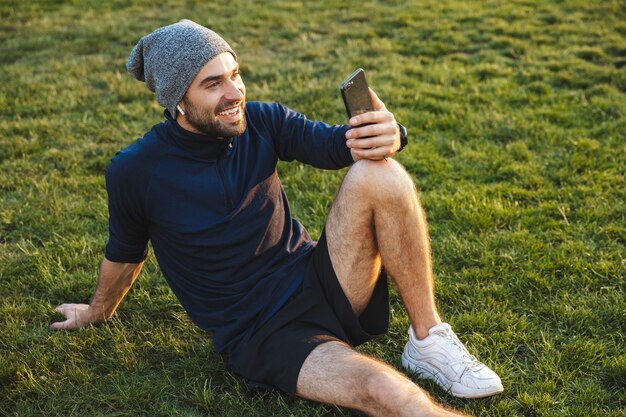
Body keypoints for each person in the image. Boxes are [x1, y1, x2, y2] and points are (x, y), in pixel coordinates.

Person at [51, 19, 503, 416]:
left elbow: (337, 144)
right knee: (385, 392)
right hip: (263, 334)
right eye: (213, 84)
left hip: (320, 280)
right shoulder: (136, 170)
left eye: (235, 74)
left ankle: (428, 340)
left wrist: (390, 132)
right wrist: (97, 310)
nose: (235, 93)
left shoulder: (263, 122)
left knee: (377, 172)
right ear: (178, 101)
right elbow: (126, 252)